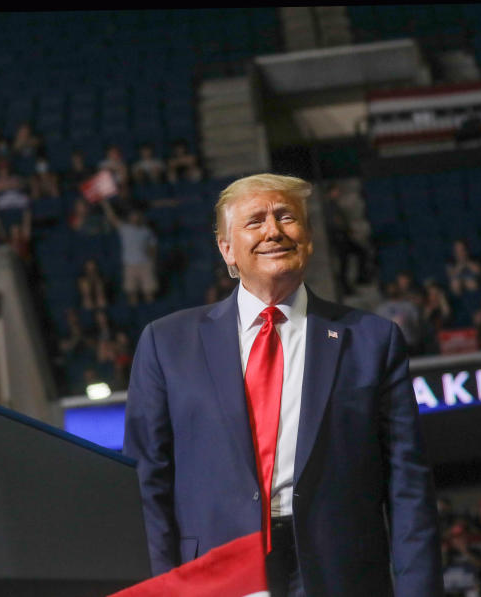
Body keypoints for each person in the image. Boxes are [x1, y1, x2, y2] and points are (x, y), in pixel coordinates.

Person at [122, 174, 442, 596]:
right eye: (255, 221)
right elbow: (147, 482)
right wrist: (162, 589)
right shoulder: (166, 343)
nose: (274, 230)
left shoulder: (371, 340)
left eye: (287, 217)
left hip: (342, 575)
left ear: (307, 239)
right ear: (226, 250)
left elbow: (408, 484)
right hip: (216, 574)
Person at [99, 199, 158, 306]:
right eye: (133, 215)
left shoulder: (147, 230)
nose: (135, 217)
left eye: (137, 215)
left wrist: (152, 262)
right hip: (130, 265)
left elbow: (152, 247)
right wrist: (105, 204)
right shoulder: (125, 228)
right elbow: (112, 218)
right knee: (131, 293)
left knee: (149, 292)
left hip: (145, 264)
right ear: (130, 217)